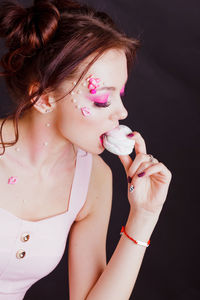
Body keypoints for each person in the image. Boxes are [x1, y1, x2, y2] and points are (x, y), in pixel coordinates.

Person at [0, 0, 172, 299]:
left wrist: (144, 217)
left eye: (120, 95)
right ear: (42, 98)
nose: (122, 112)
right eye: (102, 100)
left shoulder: (94, 177)